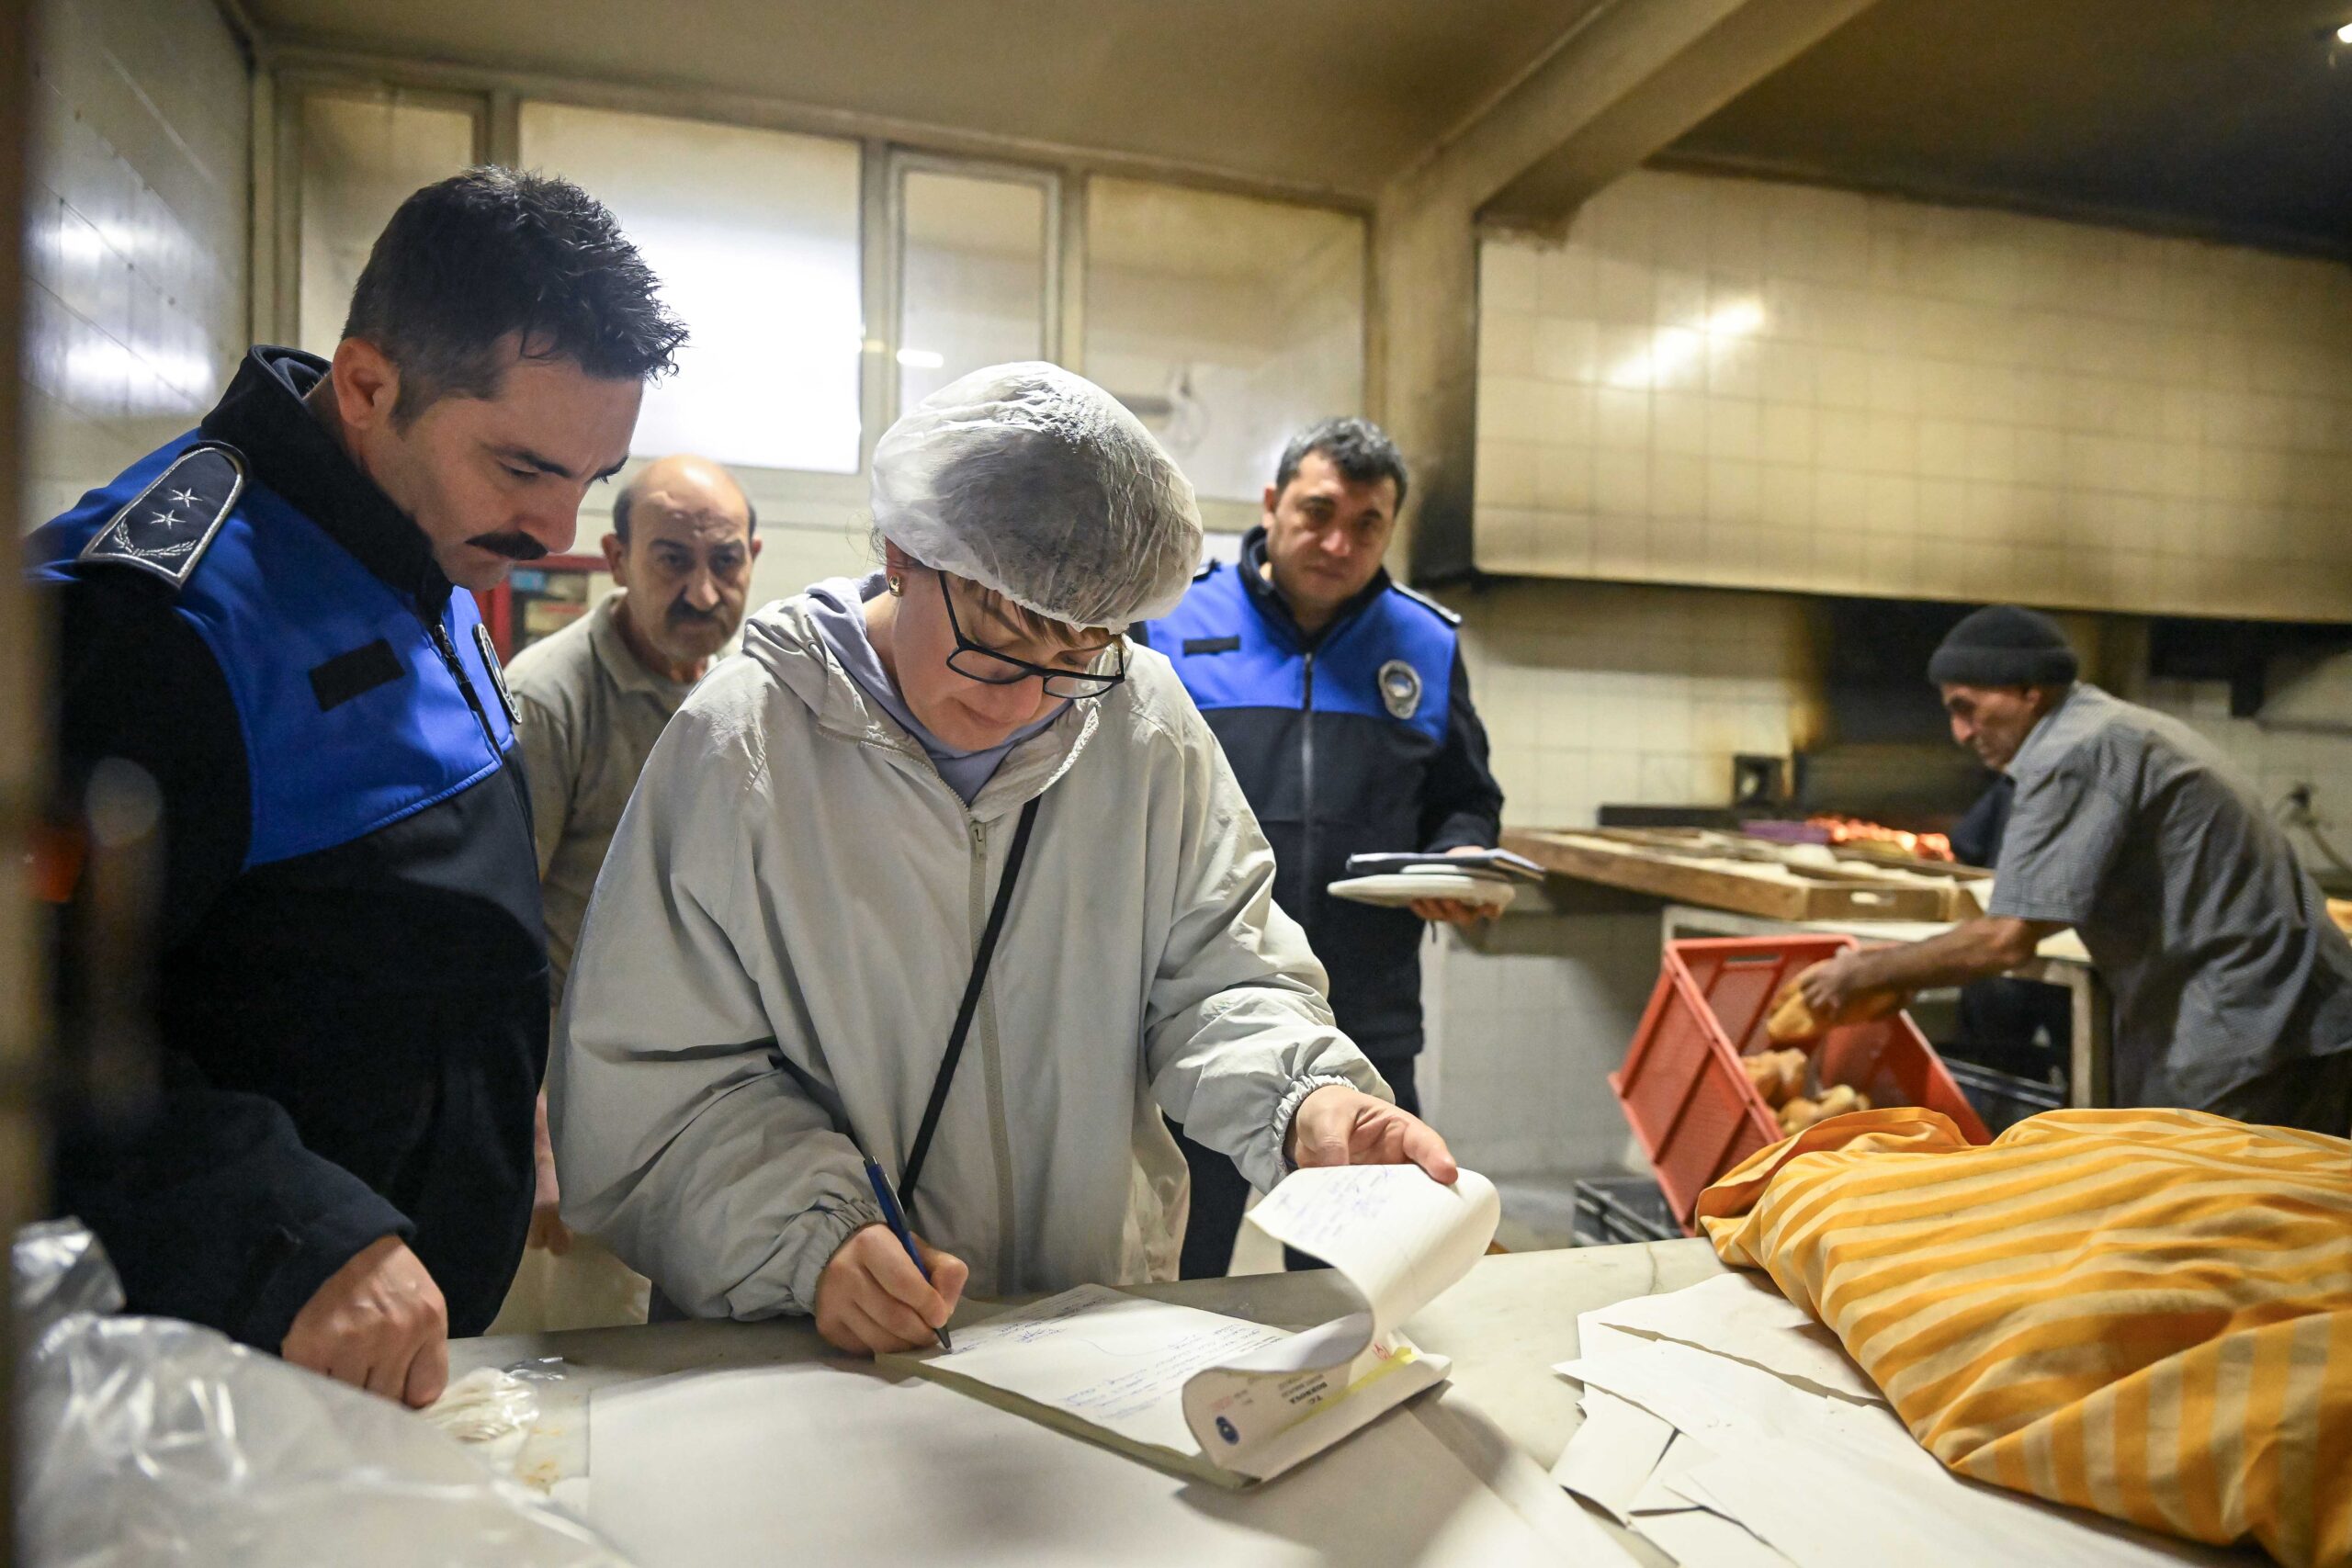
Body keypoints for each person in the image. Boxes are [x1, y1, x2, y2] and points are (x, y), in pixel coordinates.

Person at [549, 364, 1457, 1356]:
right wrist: (805, 1238)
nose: (1026, 700)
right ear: (903, 551)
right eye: (1001, 635)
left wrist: (1303, 1099)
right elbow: (654, 1084)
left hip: (1080, 1332)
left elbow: (1214, 978)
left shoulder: (1143, 724)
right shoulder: (744, 747)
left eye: (1078, 650)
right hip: (806, 1343)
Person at [27, 167, 683, 1405]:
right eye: (523, 467)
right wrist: (283, 1224)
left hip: (386, 1365)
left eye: (590, 481)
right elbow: (36, 1021)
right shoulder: (154, 615)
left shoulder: (424, 548)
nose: (557, 529)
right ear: (372, 384)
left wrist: (508, 1092)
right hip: (218, 1361)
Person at [1136, 417, 1502, 1278]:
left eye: (1367, 524)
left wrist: (1460, 859)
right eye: (1318, 511)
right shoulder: (1175, 620)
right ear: (1272, 504)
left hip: (1367, 1007)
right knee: (1180, 1263)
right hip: (1203, 1011)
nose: (1338, 541)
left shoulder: (1427, 644)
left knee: (1355, 1274)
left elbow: (1467, 801)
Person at [1796, 604, 2352, 1134]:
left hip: (2258, 1022)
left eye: (1967, 707)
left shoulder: (2073, 752)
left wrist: (1865, 972)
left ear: (2027, 692)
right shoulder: (2105, 727)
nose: (1960, 733)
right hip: (2283, 1008)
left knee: (2219, 1209)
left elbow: (2005, 939)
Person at [492, 455, 759, 1329]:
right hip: (573, 1114)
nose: (704, 591)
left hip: (696, 1110)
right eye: (671, 559)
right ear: (615, 557)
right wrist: (535, 1128)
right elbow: (496, 933)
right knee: (579, 1379)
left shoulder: (741, 692)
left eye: (725, 560)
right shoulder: (548, 699)